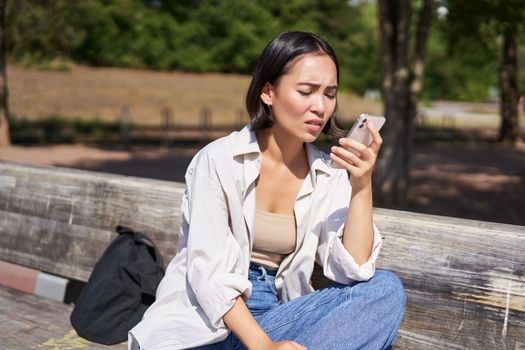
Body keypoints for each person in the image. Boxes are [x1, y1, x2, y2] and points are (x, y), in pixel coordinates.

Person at [129, 31, 406, 350]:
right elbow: (208, 274)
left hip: (275, 314)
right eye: (306, 91)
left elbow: (353, 269)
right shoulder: (219, 160)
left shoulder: (329, 175)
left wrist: (360, 185)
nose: (321, 106)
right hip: (205, 321)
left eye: (330, 94)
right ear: (268, 92)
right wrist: (262, 345)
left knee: (386, 289)